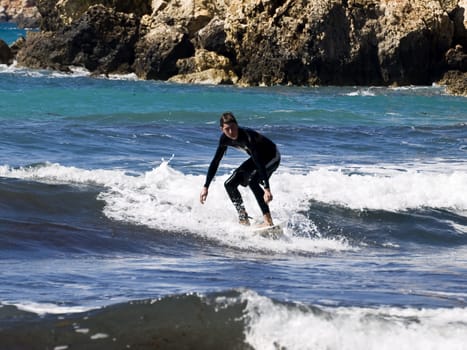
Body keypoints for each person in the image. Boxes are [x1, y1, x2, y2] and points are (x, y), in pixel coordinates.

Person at [199, 112, 280, 226]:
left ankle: (268, 220)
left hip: (272, 156)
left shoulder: (248, 137)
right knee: (229, 184)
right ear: (222, 129)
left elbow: (259, 163)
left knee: (253, 182)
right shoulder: (224, 139)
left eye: (233, 127)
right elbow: (215, 162)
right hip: (257, 158)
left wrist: (267, 188)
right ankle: (243, 217)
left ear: (237, 125)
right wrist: (206, 186)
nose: (231, 132)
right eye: (227, 129)